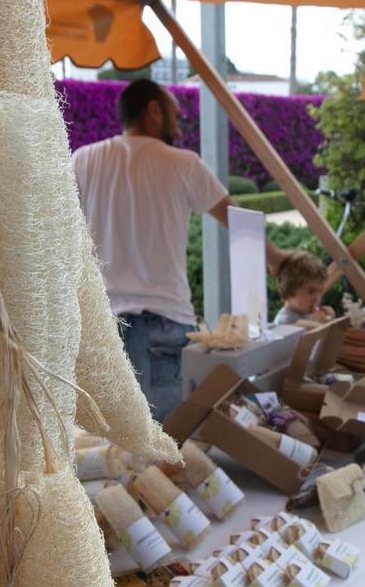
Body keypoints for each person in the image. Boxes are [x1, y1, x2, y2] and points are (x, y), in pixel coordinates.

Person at [73, 78, 282, 418]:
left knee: (113, 453)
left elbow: (61, 233)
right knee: (169, 444)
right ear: (154, 111)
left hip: (102, 326)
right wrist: (277, 259)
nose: (180, 128)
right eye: (176, 116)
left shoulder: (83, 160)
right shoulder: (183, 164)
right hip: (163, 324)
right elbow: (236, 218)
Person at [271, 250, 335, 329]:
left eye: (320, 291)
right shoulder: (283, 323)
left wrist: (328, 322)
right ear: (289, 290)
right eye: (311, 291)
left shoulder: (310, 315)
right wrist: (320, 327)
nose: (317, 298)